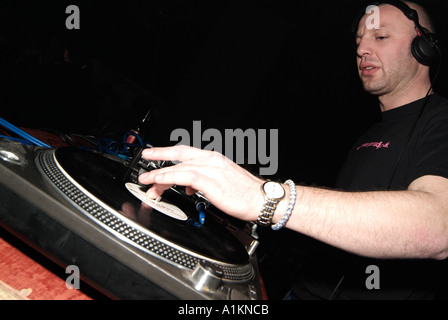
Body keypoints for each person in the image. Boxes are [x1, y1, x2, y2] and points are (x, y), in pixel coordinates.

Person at [138, 1, 448, 299]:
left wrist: (265, 197)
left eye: (380, 36)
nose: (362, 48)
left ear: (425, 47)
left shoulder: (441, 121)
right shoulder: (371, 133)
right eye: (359, 40)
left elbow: (439, 228)